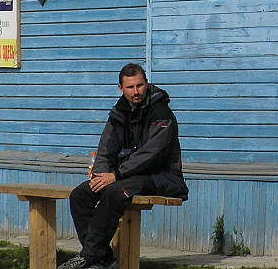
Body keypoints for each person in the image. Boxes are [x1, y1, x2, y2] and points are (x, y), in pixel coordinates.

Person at [58, 63, 188, 269]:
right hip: (127, 175)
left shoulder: (162, 112)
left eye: (140, 85)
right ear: (121, 88)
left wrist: (116, 175)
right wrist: (100, 175)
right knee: (81, 195)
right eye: (130, 87)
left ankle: (89, 255)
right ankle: (104, 260)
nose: (136, 92)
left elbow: (152, 155)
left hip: (160, 176)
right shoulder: (119, 112)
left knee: (115, 193)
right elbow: (106, 147)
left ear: (146, 84)